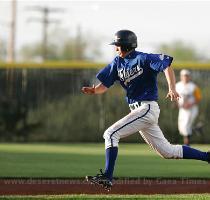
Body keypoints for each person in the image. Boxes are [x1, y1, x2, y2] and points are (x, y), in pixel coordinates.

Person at [82, 30, 210, 190]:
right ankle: (207, 157)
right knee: (167, 151)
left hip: (146, 107)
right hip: (138, 111)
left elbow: (166, 66)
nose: (116, 48)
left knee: (110, 134)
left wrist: (171, 87)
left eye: (118, 45)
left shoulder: (143, 58)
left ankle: (107, 176)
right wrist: (94, 90)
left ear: (126, 45)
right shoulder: (117, 62)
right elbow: (105, 85)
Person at [176, 69, 202, 146]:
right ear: (181, 77)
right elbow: (175, 97)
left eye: (187, 76)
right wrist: (177, 104)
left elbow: (198, 98)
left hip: (192, 109)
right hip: (182, 109)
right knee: (181, 127)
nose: (185, 77)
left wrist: (190, 104)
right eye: (184, 76)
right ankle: (195, 128)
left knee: (186, 125)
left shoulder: (194, 87)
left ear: (189, 77)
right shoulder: (177, 85)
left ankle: (187, 144)